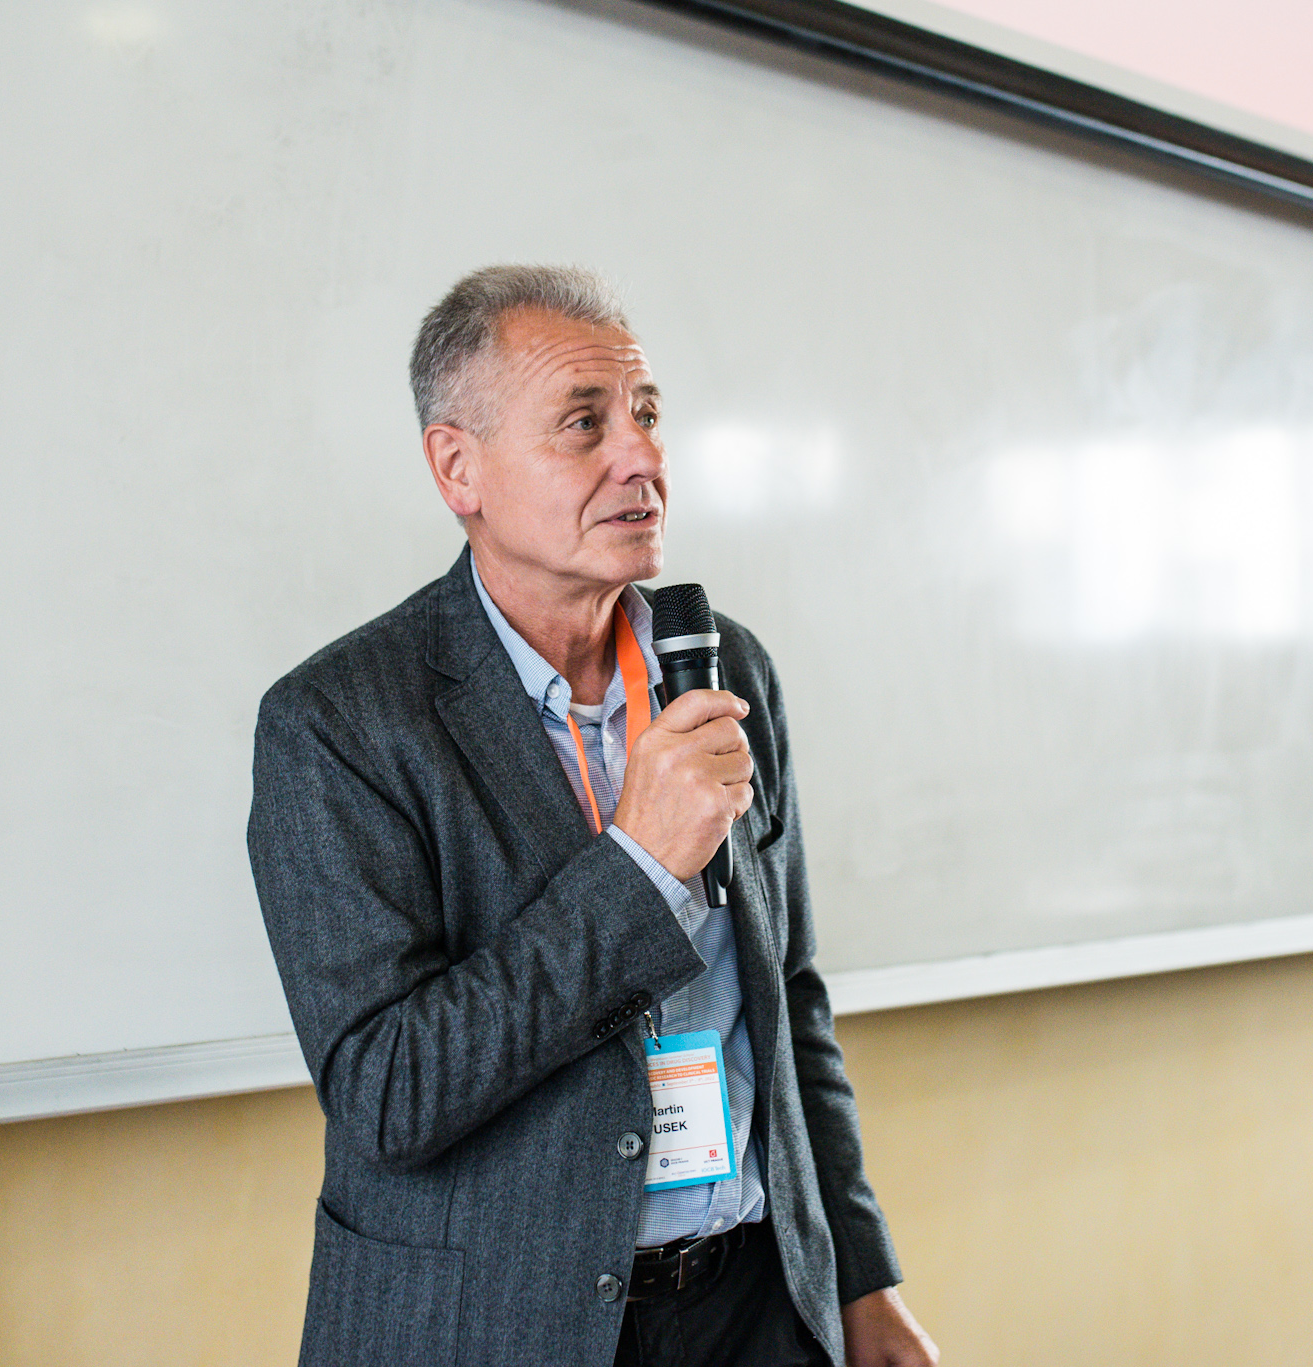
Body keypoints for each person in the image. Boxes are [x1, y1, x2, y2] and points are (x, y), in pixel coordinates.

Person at [247, 265, 939, 1367]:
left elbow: (789, 1000)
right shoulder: (337, 723)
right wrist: (636, 867)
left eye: (647, 415)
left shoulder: (722, 666)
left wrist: (858, 1275)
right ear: (456, 467)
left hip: (751, 1304)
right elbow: (388, 1092)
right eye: (584, 423)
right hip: (491, 1323)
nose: (643, 459)